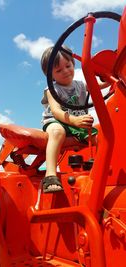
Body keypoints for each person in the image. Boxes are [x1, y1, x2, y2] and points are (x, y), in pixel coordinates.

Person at [41, 45, 109, 193]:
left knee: (101, 139)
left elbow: (99, 86)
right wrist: (73, 121)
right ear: (50, 76)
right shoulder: (52, 90)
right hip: (57, 121)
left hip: (77, 124)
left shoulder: (80, 85)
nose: (65, 71)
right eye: (59, 70)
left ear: (73, 63)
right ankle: (50, 175)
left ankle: (101, 172)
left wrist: (109, 78)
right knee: (57, 132)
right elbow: (57, 112)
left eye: (68, 65)